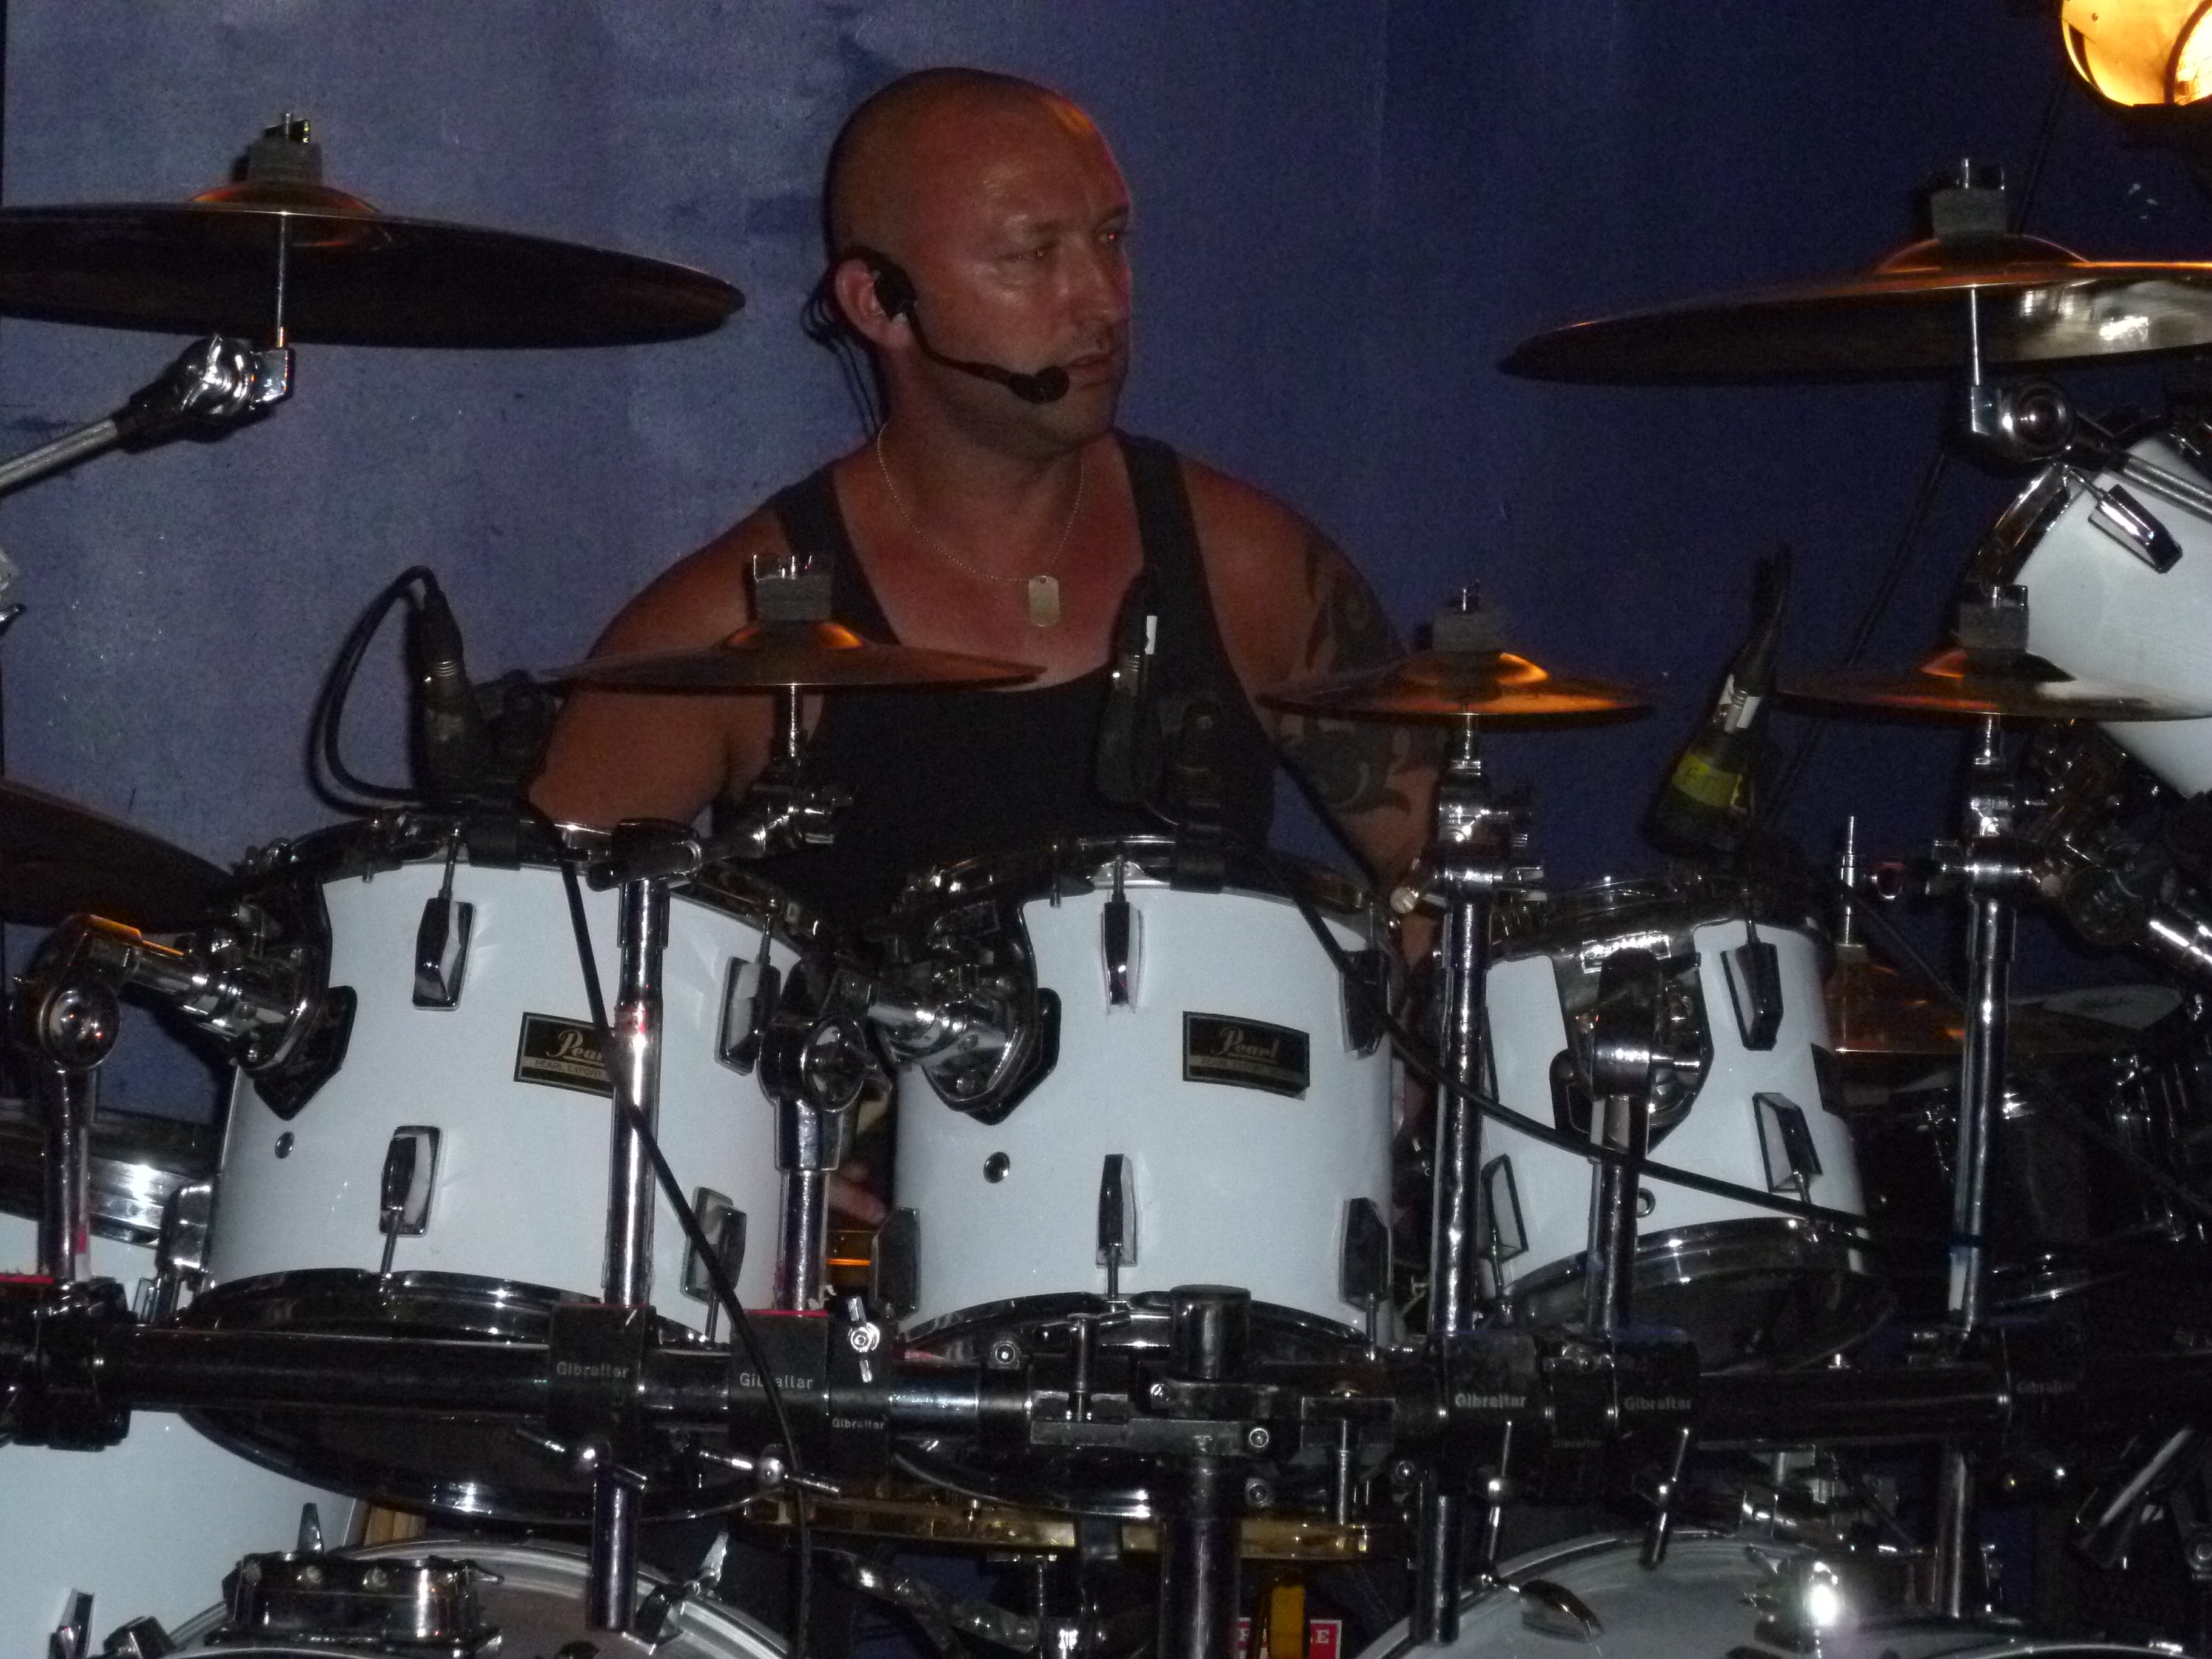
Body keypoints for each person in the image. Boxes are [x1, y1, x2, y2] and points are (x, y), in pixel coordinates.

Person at [535, 66, 1432, 946]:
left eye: (1111, 240)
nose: (1103, 300)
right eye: (1033, 255)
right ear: (880, 304)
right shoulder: (724, 628)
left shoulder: (1252, 566)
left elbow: (1445, 887)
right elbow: (541, 953)